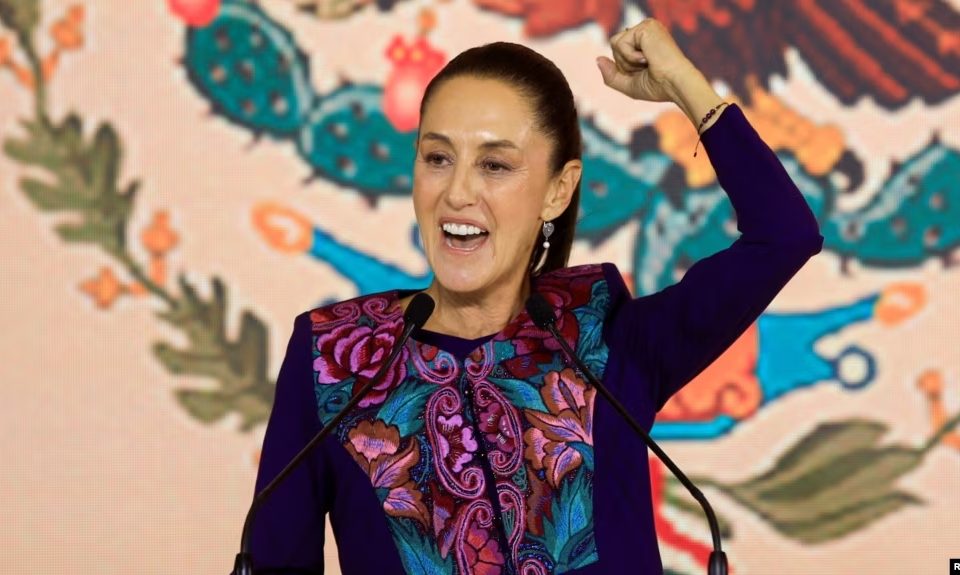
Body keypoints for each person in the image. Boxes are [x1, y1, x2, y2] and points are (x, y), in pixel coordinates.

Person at [249, 19, 823, 575]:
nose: (457, 192)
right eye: (437, 158)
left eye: (494, 165)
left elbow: (785, 235)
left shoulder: (605, 342)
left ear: (557, 191)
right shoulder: (336, 359)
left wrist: (683, 87)